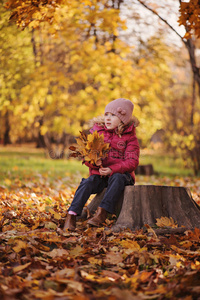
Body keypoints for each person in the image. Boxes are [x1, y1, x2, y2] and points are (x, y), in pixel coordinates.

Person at [63, 98, 140, 231]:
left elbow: (132, 161)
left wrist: (112, 169)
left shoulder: (129, 137)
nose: (108, 118)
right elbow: (87, 155)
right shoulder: (97, 133)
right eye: (106, 115)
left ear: (123, 120)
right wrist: (94, 162)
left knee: (117, 178)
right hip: (100, 175)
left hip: (121, 177)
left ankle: (102, 212)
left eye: (113, 115)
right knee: (87, 182)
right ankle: (72, 215)